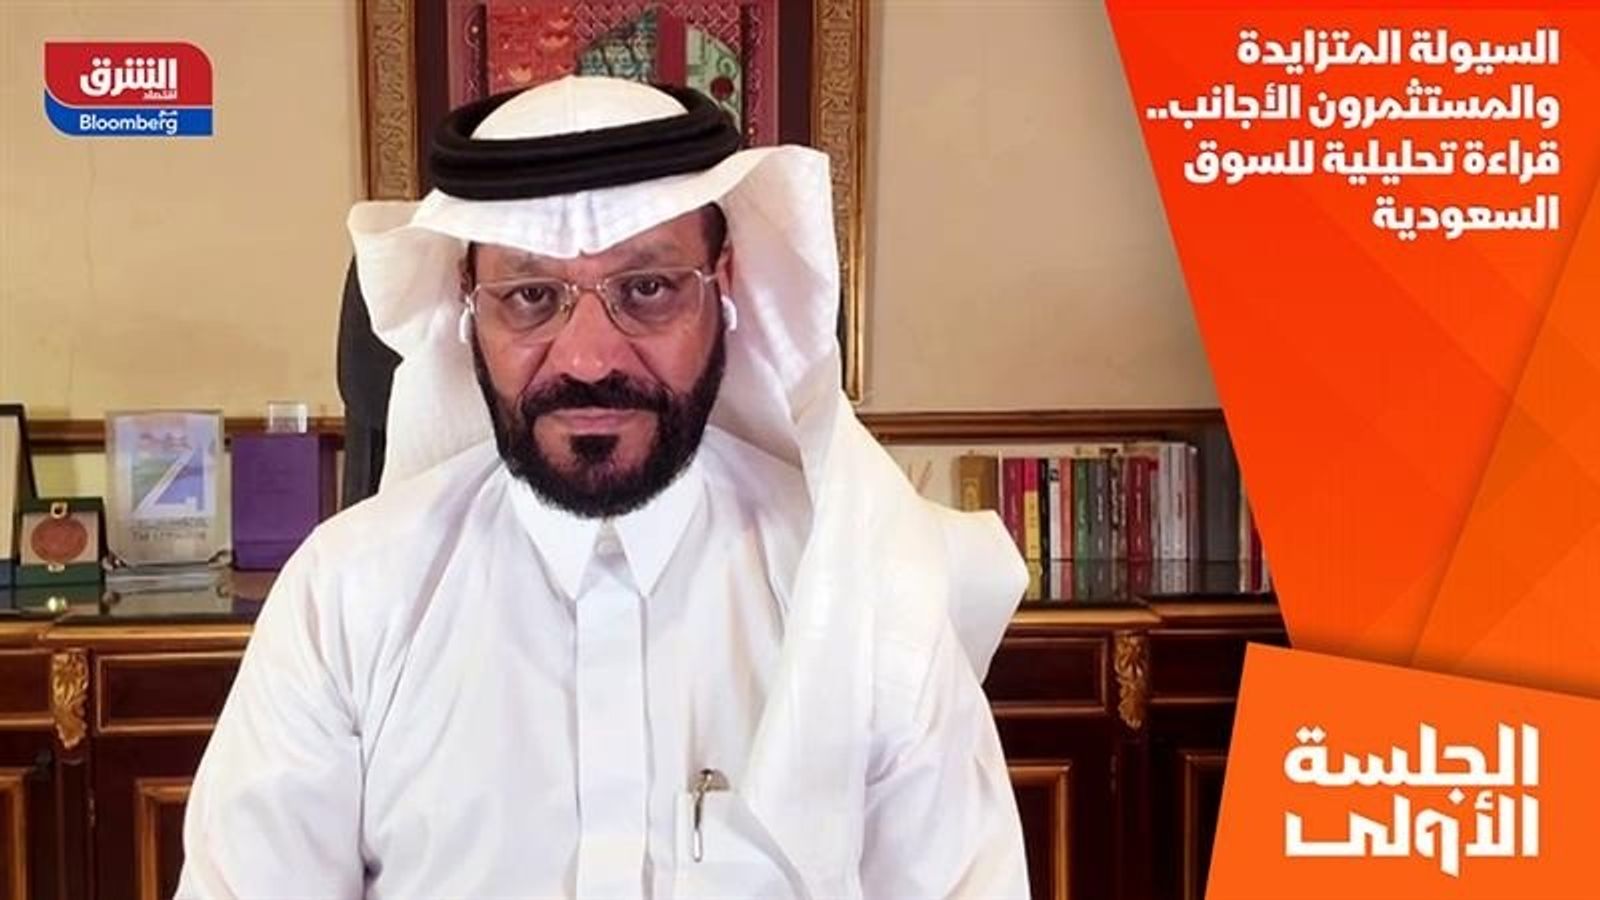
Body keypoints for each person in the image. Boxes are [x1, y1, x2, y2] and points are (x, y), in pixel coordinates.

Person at [177, 75, 1029, 899]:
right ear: (469, 306)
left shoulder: (870, 590)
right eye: (530, 296)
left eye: (648, 289)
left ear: (725, 288)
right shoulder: (345, 597)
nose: (588, 359)